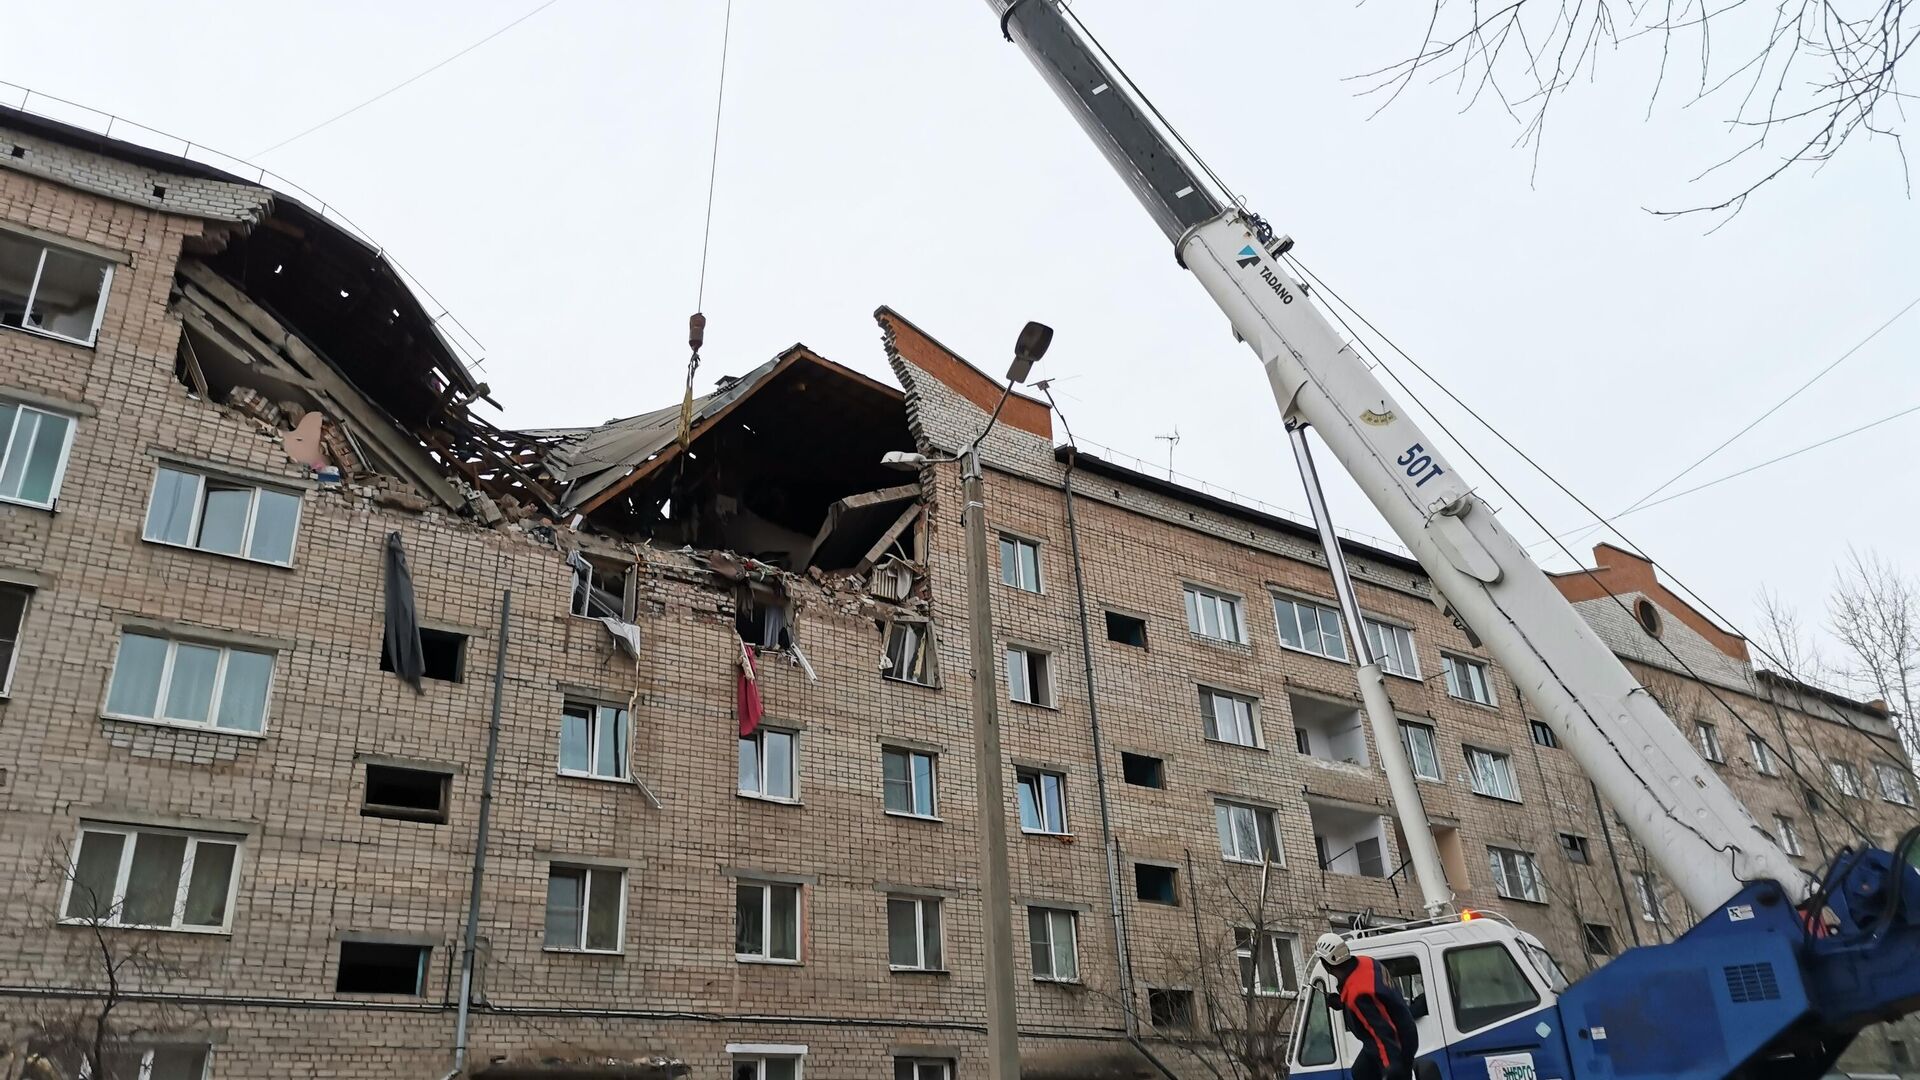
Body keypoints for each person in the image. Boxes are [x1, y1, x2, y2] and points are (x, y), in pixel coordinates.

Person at [1312, 932, 1420, 1080]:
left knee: (1386, 1074)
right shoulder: (1366, 962)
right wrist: (1343, 1003)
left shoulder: (1358, 994)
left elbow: (1382, 1031)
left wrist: (1392, 1065)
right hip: (1404, 1029)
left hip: (1397, 1043)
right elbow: (1377, 1001)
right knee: (1361, 1072)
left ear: (1326, 964)